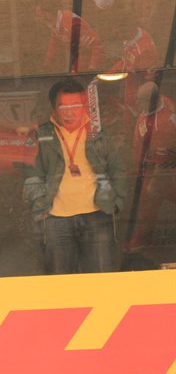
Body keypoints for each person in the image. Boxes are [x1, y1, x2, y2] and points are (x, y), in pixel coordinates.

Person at [22, 78, 126, 274]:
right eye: (63, 107)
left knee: (101, 276)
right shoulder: (42, 134)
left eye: (76, 106)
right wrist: (39, 205)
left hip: (98, 213)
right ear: (53, 108)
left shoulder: (97, 133)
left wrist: (116, 202)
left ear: (84, 105)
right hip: (56, 218)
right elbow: (31, 172)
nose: (70, 113)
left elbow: (117, 168)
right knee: (60, 279)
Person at [129, 82, 176, 249]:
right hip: (145, 165)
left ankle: (143, 238)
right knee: (147, 198)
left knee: (150, 196)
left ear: (152, 101)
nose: (137, 103)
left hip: (162, 168)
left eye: (140, 100)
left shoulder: (169, 120)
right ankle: (143, 237)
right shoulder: (148, 110)